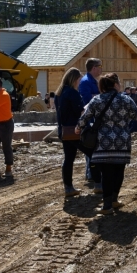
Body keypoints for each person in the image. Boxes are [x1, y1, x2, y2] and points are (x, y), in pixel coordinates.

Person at [77, 73, 137, 213]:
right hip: (122, 141)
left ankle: (107, 206)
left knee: (106, 173)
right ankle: (114, 199)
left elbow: (84, 117)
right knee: (119, 171)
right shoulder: (126, 99)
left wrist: (78, 128)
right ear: (115, 84)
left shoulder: (97, 100)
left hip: (103, 141)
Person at [55, 68, 84, 197]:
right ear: (74, 79)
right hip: (75, 130)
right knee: (91, 153)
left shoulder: (59, 94)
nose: (79, 83)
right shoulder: (73, 93)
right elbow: (80, 112)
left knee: (68, 159)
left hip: (64, 130)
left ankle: (68, 187)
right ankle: (99, 183)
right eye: (79, 80)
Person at [79, 58, 102, 185]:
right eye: (100, 66)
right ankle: (90, 174)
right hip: (89, 121)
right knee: (90, 146)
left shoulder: (92, 81)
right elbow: (87, 101)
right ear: (94, 68)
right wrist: (99, 97)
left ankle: (91, 173)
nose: (101, 69)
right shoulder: (86, 82)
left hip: (94, 120)